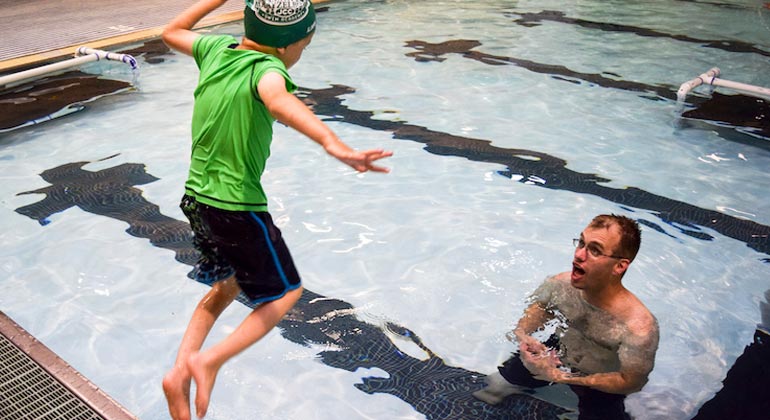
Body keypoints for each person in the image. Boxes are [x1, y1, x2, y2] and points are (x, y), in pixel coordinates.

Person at [160, 1, 392, 419]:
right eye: (306, 41)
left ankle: (178, 374)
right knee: (286, 294)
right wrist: (332, 144)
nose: (303, 49)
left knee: (225, 288)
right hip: (235, 206)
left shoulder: (216, 51)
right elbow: (279, 101)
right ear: (287, 45)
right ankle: (206, 362)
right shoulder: (268, 70)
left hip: (197, 197)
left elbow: (171, 31)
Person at [473, 214, 659, 420]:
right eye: (581, 243)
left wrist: (561, 378)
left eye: (594, 250)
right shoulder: (560, 286)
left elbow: (632, 382)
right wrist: (525, 338)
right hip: (556, 353)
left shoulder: (638, 327)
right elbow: (535, 314)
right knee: (494, 388)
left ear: (620, 266)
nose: (579, 255)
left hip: (599, 381)